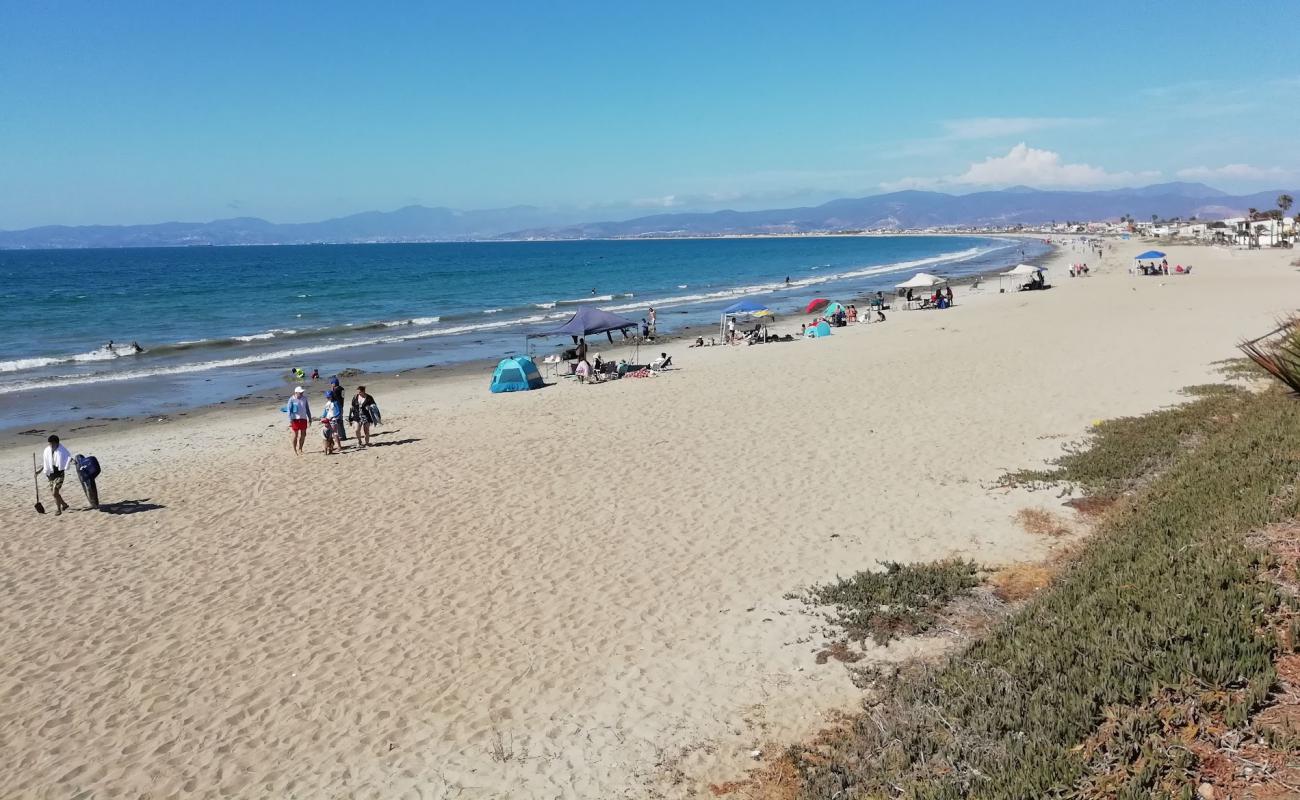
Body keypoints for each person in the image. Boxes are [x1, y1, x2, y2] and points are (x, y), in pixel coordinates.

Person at [36, 434, 72, 515]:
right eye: (49, 444)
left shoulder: (62, 450)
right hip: (50, 476)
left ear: (57, 443)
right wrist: (39, 471)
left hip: (59, 474)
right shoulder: (47, 450)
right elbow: (45, 463)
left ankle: (59, 510)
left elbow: (68, 458)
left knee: (54, 493)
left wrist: (74, 462)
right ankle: (64, 505)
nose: (50, 445)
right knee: (55, 494)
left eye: (52, 444)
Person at [286, 386, 312, 455]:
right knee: (295, 435)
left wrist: (310, 418)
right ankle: (295, 449)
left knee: (303, 434)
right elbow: (289, 410)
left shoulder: (304, 398)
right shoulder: (291, 399)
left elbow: (307, 409)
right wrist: (290, 420)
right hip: (295, 419)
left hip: (303, 418)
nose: (302, 393)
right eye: (300, 392)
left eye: (302, 392)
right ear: (296, 393)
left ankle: (300, 448)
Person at [328, 377, 347, 441]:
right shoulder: (342, 389)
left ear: (334, 383)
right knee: (340, 421)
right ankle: (343, 435)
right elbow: (343, 397)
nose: (331, 385)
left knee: (337, 421)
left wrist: (332, 390)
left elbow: (332, 397)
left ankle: (340, 436)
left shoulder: (335, 390)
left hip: (336, 407)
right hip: (341, 405)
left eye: (332, 383)